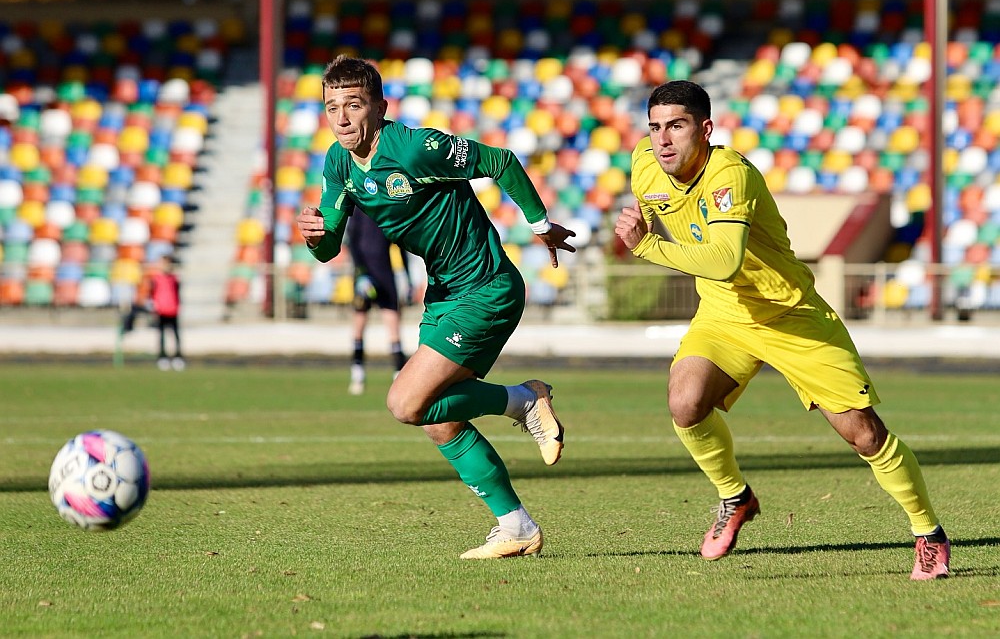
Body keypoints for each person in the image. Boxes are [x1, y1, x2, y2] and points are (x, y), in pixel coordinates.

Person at [614, 80, 949, 580]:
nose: (663, 140)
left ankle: (929, 534)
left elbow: (725, 261)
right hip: (725, 315)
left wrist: (646, 247)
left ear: (705, 129)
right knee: (684, 403)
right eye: (655, 127)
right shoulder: (645, 165)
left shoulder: (731, 175)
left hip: (791, 316)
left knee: (864, 434)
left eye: (677, 127)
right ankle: (735, 497)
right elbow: (702, 256)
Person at [296, 55, 576, 559]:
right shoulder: (339, 163)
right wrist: (314, 237)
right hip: (444, 294)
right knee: (434, 417)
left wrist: (539, 224)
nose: (340, 118)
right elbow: (330, 245)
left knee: (404, 402)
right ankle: (516, 526)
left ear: (379, 107)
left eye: (353, 105)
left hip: (486, 287)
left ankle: (524, 401)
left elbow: (500, 161)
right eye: (331, 107)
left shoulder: (414, 147)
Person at [346, 209, 410, 395]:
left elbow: (400, 244)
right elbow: (353, 242)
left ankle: (399, 374)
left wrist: (407, 276)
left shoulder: (387, 206)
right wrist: (362, 273)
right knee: (359, 324)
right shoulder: (358, 208)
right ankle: (357, 373)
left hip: (384, 273)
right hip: (363, 275)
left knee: (393, 324)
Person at [148, 256, 184, 371]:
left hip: (173, 309)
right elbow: (152, 294)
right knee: (161, 335)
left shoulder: (174, 279)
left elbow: (178, 293)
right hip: (161, 310)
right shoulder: (156, 279)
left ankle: (178, 357)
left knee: (175, 335)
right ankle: (162, 357)